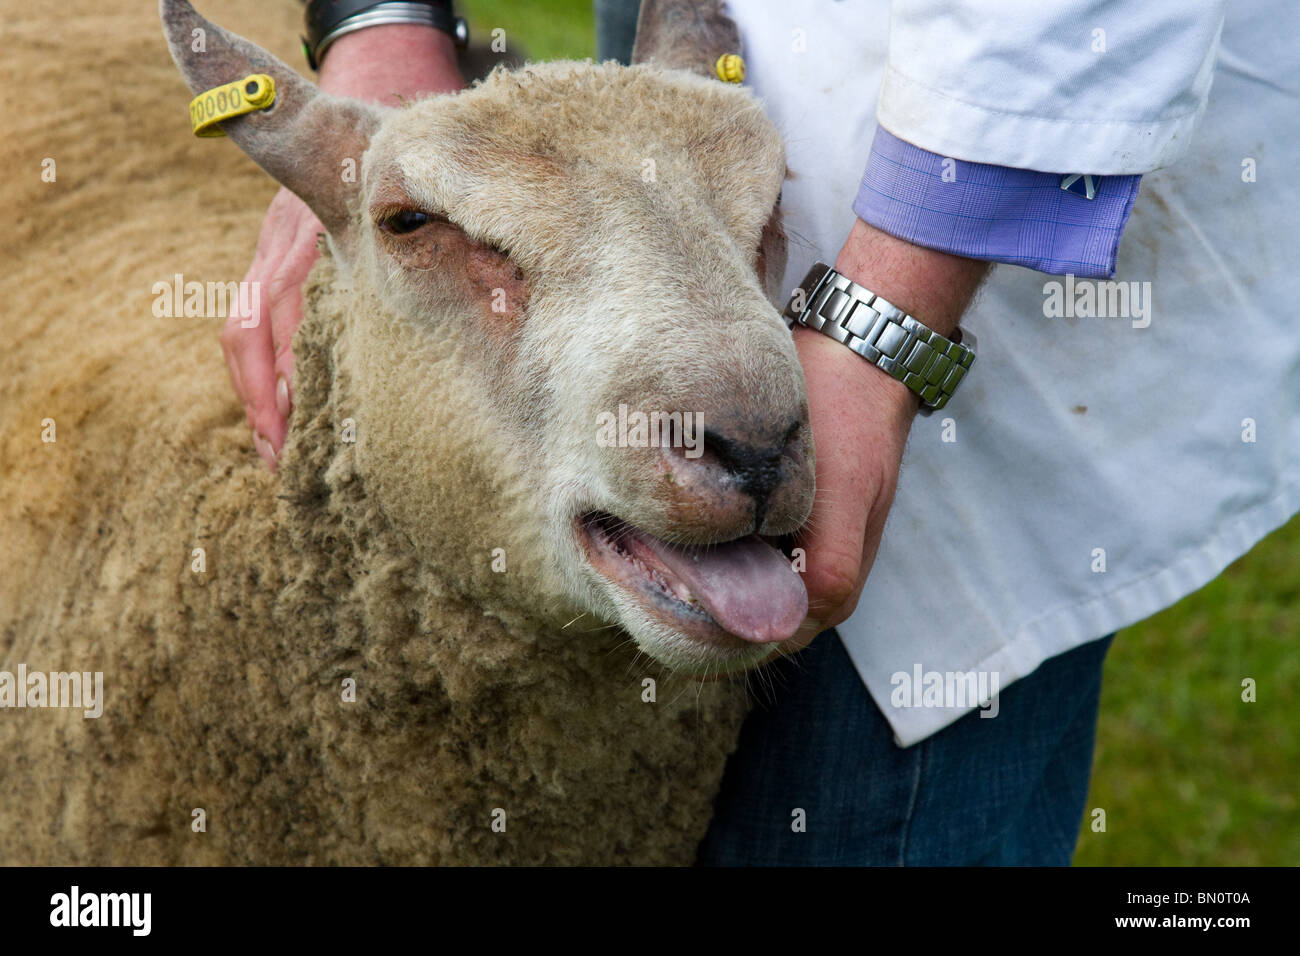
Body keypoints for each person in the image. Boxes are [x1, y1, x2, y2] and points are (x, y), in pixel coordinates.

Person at [236, 1, 1299, 865]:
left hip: (980, 174)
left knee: (840, 796)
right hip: (697, 91)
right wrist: (380, 20)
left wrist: (885, 334)